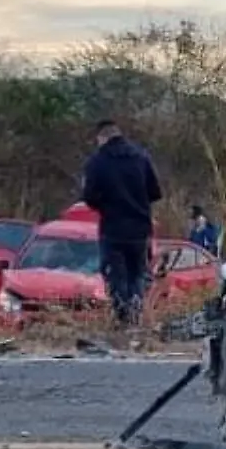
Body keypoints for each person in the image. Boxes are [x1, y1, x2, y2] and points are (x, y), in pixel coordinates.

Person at [80, 119, 163, 328]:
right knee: (138, 274)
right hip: (140, 228)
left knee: (116, 277)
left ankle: (123, 320)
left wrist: (106, 204)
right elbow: (155, 192)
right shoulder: (141, 157)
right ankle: (136, 316)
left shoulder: (97, 162)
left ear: (101, 137)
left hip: (113, 229)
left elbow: (89, 197)